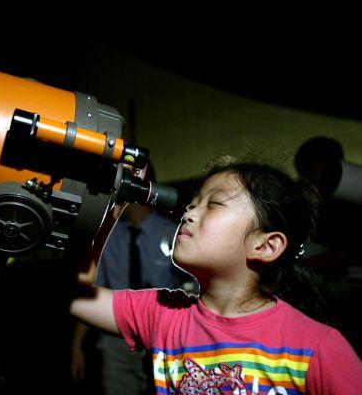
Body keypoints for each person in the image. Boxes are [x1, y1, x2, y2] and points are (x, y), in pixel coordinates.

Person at [70, 156, 362, 394]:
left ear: (265, 245)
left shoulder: (318, 348)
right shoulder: (162, 314)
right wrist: (107, 209)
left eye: (214, 204)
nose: (189, 213)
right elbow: (77, 300)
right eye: (193, 203)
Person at [70, 196, 193, 395]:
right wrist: (77, 345)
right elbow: (93, 289)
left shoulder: (172, 233)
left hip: (162, 332)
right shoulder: (110, 236)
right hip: (116, 332)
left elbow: (189, 285)